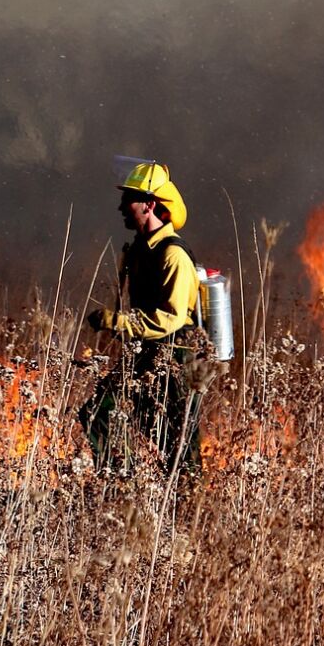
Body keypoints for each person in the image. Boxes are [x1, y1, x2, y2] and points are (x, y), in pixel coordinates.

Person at [80, 161, 206, 476]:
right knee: (98, 412)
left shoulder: (173, 255)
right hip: (148, 351)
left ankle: (190, 508)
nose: (122, 206)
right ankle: (122, 485)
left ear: (149, 204)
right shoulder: (140, 250)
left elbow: (172, 318)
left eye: (130, 199)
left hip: (177, 355)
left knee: (179, 444)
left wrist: (119, 322)